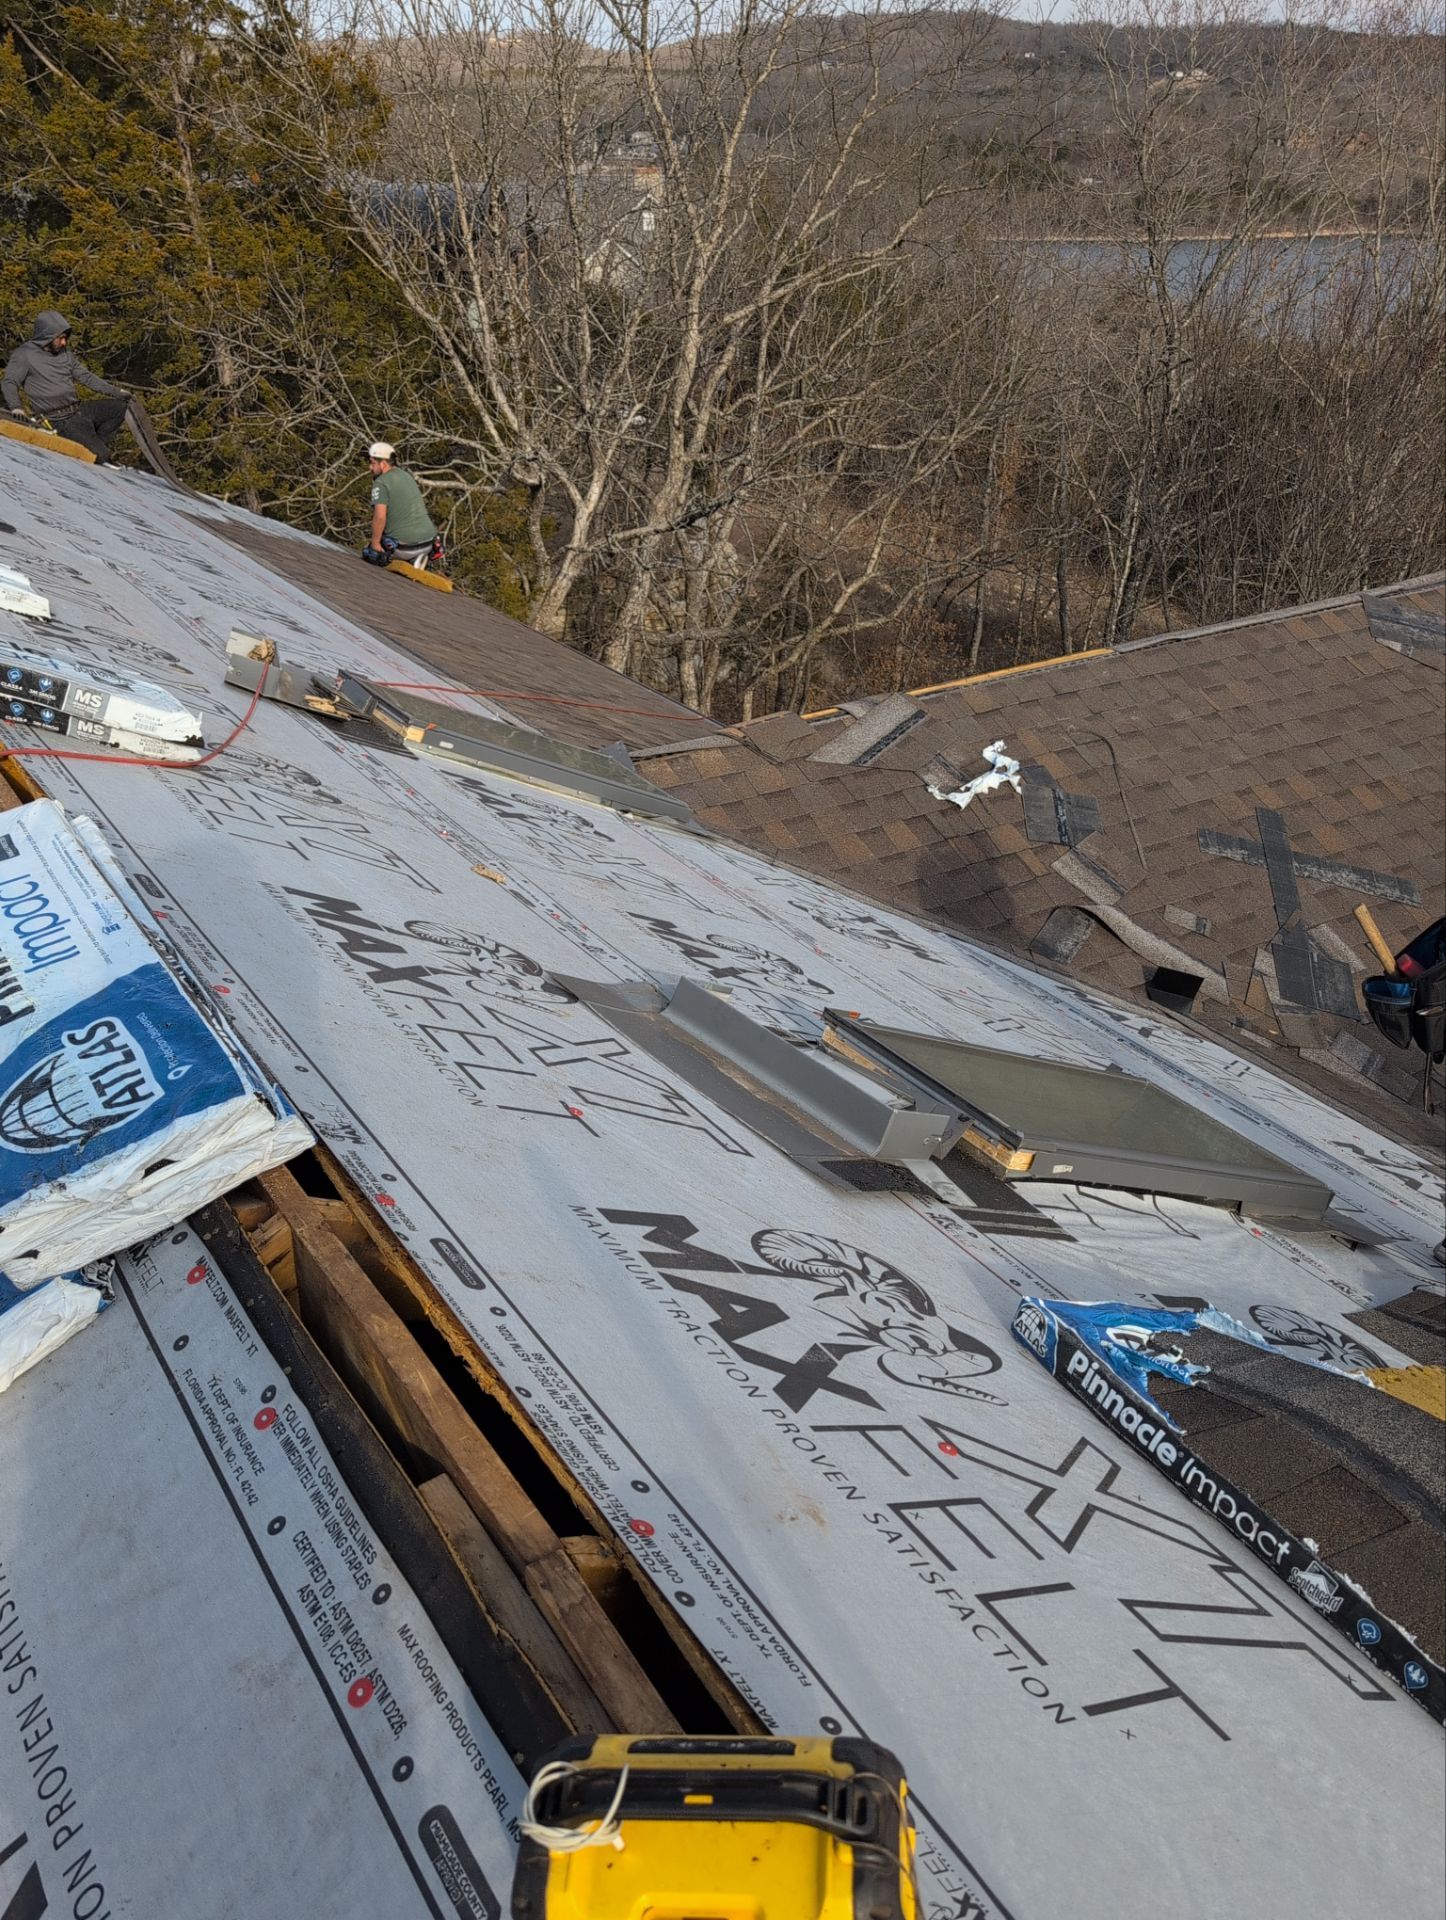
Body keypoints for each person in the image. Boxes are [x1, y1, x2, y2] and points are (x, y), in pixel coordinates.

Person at [2, 311, 130, 463]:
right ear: (47, 336)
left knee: (120, 409)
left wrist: (117, 392)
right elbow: (10, 382)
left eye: (65, 338)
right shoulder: (25, 355)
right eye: (60, 338)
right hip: (59, 420)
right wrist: (16, 407)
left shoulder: (65, 354)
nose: (64, 343)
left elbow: (86, 377)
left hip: (78, 410)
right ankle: (97, 450)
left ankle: (94, 444)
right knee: (101, 456)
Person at [361, 441, 443, 571]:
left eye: (372, 463)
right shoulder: (406, 475)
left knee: (370, 553)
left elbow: (380, 517)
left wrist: (375, 544)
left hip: (405, 547)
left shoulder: (381, 482)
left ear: (383, 464)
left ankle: (407, 557)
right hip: (429, 542)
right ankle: (417, 558)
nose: (370, 468)